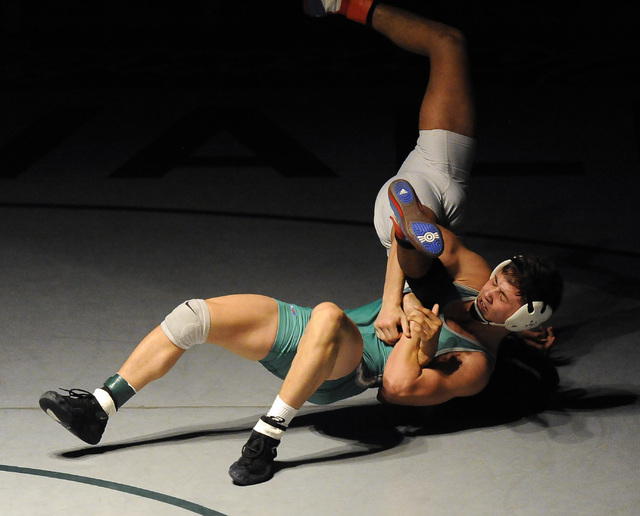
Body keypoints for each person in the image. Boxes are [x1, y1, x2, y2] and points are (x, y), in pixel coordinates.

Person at [39, 1, 563, 487]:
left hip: (347, 365)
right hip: (314, 329)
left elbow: (396, 391)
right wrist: (398, 298)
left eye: (500, 298)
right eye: (496, 279)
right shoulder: (470, 278)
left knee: (332, 314)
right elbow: (414, 229)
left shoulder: (473, 366)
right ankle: (100, 407)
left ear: (521, 321)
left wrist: (417, 341)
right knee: (194, 316)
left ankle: (265, 438)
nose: (487, 290)